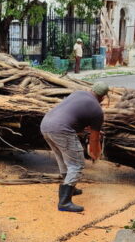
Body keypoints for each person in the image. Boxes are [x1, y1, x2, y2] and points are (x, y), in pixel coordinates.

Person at [40, 81, 108, 212]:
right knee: (76, 164)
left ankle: (71, 188)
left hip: (46, 125)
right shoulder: (97, 111)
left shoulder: (78, 93)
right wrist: (95, 154)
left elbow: (73, 115)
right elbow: (94, 140)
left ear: (91, 90)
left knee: (63, 158)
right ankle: (64, 202)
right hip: (61, 129)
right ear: (103, 97)